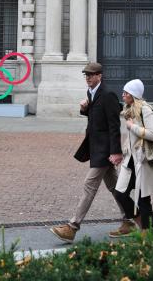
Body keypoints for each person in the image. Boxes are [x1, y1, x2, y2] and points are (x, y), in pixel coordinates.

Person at [51, 62, 137, 243]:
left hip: (105, 151)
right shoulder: (92, 93)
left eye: (91, 75)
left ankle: (72, 227)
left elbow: (114, 126)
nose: (88, 78)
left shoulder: (108, 95)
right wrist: (85, 109)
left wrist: (116, 152)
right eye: (86, 75)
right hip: (96, 147)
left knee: (89, 184)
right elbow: (96, 117)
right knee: (116, 188)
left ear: (100, 76)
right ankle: (131, 219)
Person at [109, 79, 153, 236]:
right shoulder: (129, 110)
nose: (123, 94)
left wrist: (132, 127)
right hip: (131, 159)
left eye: (126, 93)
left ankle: (147, 231)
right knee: (120, 193)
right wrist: (122, 152)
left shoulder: (145, 110)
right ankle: (140, 220)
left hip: (144, 160)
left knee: (143, 197)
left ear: (133, 95)